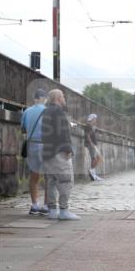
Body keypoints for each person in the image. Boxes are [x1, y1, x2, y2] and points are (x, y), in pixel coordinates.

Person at [41, 89, 81, 221]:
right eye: (63, 97)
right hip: (59, 153)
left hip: (47, 152)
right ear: (58, 98)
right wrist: (68, 149)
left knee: (51, 182)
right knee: (65, 180)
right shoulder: (58, 112)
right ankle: (64, 210)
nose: (64, 99)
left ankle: (52, 210)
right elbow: (63, 132)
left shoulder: (46, 111)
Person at [20, 88, 48, 215]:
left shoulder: (27, 111)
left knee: (34, 176)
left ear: (34, 99)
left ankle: (35, 205)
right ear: (43, 98)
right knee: (49, 176)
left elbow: (23, 129)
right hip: (45, 145)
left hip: (32, 145)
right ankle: (47, 206)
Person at [83, 113, 103, 181]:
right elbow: (87, 135)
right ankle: (92, 172)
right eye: (95, 119)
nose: (96, 120)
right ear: (92, 119)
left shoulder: (91, 126)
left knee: (97, 158)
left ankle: (93, 173)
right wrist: (91, 144)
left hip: (93, 144)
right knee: (95, 158)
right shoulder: (88, 125)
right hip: (91, 144)